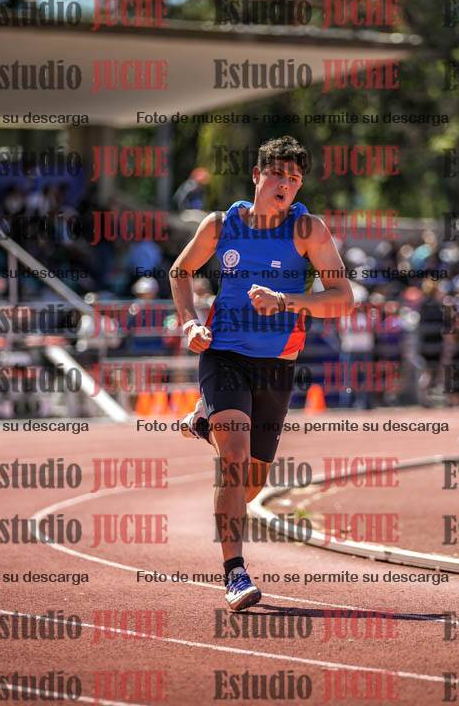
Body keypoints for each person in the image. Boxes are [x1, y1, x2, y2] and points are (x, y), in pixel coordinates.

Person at [168, 137, 353, 611]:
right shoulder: (220, 224)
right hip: (224, 354)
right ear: (257, 176)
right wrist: (189, 322)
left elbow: (342, 300)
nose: (284, 185)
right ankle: (235, 573)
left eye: (294, 178)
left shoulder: (308, 230)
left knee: (250, 485)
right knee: (233, 459)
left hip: (277, 366)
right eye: (277, 174)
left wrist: (286, 301)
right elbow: (179, 272)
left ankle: (204, 422)